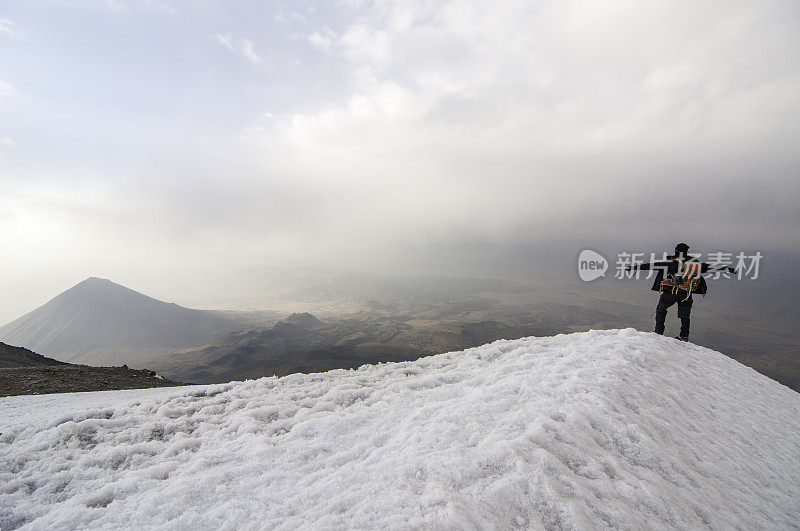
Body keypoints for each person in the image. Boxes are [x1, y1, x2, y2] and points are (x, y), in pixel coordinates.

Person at [627, 243, 736, 341]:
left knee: (661, 310)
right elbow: (711, 268)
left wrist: (634, 267)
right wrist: (729, 269)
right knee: (685, 316)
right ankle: (684, 336)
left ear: (676, 251)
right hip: (686, 293)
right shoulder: (694, 264)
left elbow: (651, 265)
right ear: (687, 252)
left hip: (671, 292)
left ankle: (658, 333)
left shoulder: (670, 262)